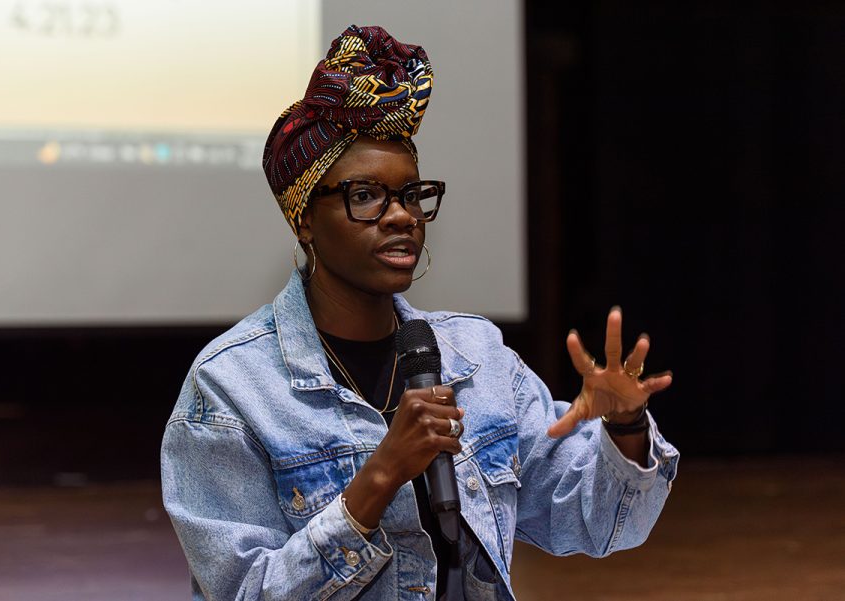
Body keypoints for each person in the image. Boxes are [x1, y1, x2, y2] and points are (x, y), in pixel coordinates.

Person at [161, 25, 679, 601]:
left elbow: (596, 523)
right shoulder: (232, 387)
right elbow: (243, 592)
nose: (401, 216)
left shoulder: (474, 356)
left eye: (411, 195)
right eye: (365, 196)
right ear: (305, 219)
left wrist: (625, 428)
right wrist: (379, 478)